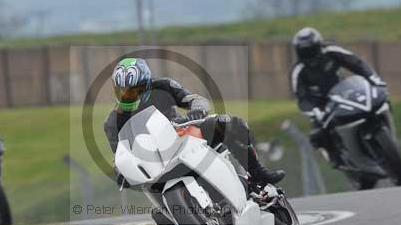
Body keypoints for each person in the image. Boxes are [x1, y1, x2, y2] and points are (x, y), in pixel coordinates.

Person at [103, 57, 285, 188]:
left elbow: (194, 98)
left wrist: (196, 109)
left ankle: (258, 173)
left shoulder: (165, 86)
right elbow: (120, 155)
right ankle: (174, 209)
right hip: (157, 161)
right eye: (126, 91)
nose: (132, 95)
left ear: (148, 83)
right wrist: (121, 172)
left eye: (137, 89)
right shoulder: (112, 122)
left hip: (184, 133)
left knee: (232, 123)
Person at [289, 27, 386, 166]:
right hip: (320, 105)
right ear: (298, 51)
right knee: (317, 135)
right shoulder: (297, 71)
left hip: (344, 91)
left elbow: (356, 63)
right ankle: (336, 158)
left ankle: (380, 130)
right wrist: (315, 111)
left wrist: (373, 79)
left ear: (319, 45)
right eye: (304, 51)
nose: (309, 54)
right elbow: (301, 98)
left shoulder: (331, 51)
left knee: (376, 103)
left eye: (311, 49)